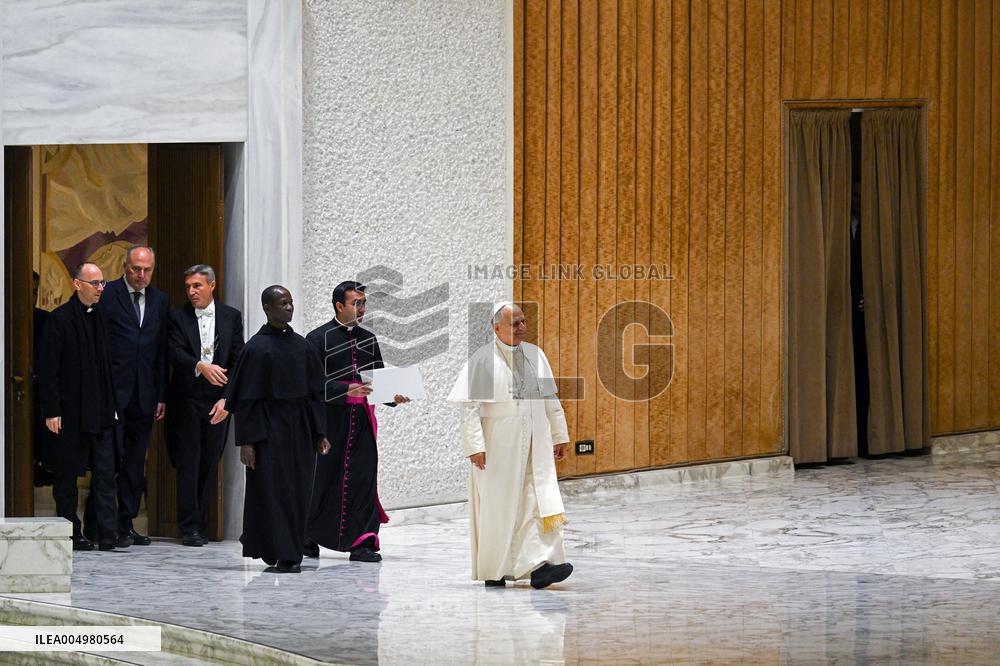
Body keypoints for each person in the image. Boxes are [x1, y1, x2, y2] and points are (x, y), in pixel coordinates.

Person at [447, 302, 573, 588]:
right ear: (496, 328)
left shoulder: (535, 355)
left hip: (535, 444)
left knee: (535, 501)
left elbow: (550, 399)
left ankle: (540, 566)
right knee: (500, 508)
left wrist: (560, 435)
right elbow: (469, 408)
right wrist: (474, 446)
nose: (522, 328)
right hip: (498, 447)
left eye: (523, 321)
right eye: (514, 324)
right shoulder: (482, 360)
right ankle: (497, 569)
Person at [304, 281, 410, 563]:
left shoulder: (368, 339)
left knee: (363, 480)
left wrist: (393, 396)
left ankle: (363, 542)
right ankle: (308, 536)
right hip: (329, 422)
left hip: (361, 422)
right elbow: (309, 386)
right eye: (356, 303)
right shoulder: (317, 339)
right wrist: (344, 391)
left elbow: (377, 380)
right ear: (339, 306)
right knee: (323, 480)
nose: (362, 308)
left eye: (364, 303)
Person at [229, 285, 330, 573]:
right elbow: (246, 400)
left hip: (301, 430)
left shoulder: (302, 346)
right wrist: (247, 442)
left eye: (290, 302)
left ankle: (290, 552)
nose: (289, 308)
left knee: (298, 491)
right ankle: (278, 550)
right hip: (268, 431)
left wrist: (320, 432)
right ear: (267, 308)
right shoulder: (255, 348)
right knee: (272, 491)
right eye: (283, 303)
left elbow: (315, 393)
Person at [37, 263, 122, 551]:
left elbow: (107, 365)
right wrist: (51, 410)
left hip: (101, 410)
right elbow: (49, 369)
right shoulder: (59, 320)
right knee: (67, 476)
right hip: (70, 412)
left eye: (102, 283)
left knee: (105, 472)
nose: (100, 288)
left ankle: (106, 532)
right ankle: (70, 533)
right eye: (94, 283)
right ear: (77, 284)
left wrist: (113, 406)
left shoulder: (102, 317)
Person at [90, 245, 169, 546]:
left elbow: (161, 351)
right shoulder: (108, 294)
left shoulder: (160, 300)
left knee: (135, 464)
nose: (141, 275)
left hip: (144, 395)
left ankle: (126, 523)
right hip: (112, 394)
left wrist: (160, 395)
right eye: (136, 269)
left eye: (147, 270)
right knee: (108, 462)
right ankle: (99, 525)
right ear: (125, 267)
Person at [166, 265, 244, 546]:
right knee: (188, 462)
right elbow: (173, 352)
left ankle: (202, 521)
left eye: (197, 286)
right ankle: (189, 527)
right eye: (188, 286)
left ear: (212, 285)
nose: (191, 291)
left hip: (218, 402)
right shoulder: (177, 315)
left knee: (210, 462)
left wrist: (227, 400)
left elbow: (238, 360)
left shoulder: (231, 316)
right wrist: (200, 366)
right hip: (187, 399)